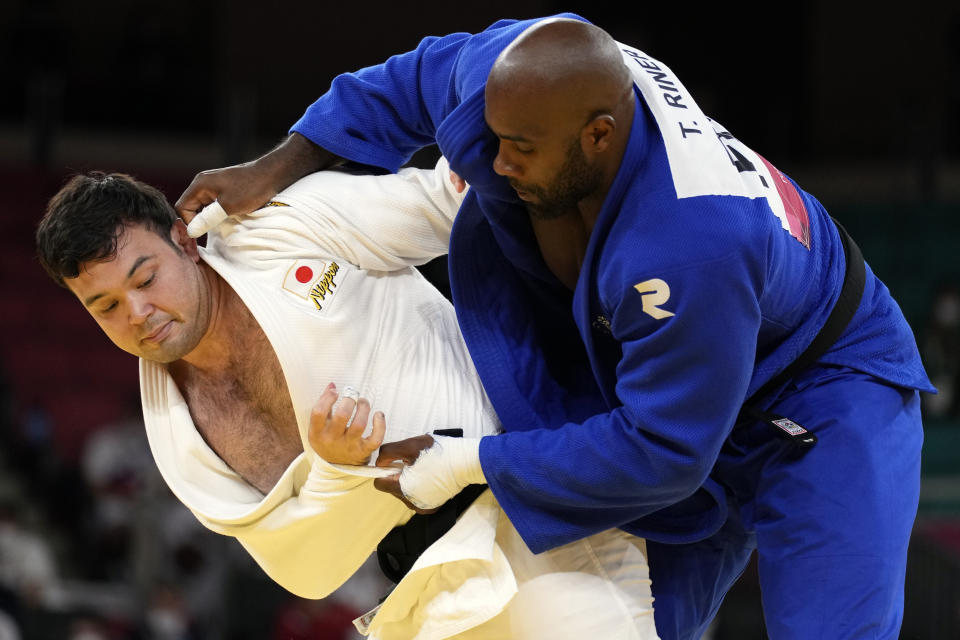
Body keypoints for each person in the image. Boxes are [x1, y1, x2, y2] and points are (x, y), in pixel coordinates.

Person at [175, 14, 935, 640]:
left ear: (598, 136)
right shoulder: (513, 84)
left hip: (820, 392)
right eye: (497, 138)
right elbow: (406, 84)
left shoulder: (685, 242)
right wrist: (276, 166)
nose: (496, 162)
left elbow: (666, 450)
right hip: (674, 379)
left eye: (523, 150)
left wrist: (474, 461)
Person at [36, 163, 660, 639]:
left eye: (145, 279)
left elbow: (453, 200)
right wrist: (339, 473)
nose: (138, 314)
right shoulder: (179, 438)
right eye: (106, 306)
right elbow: (308, 572)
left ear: (184, 239)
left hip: (537, 518)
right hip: (421, 602)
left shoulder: (280, 226)